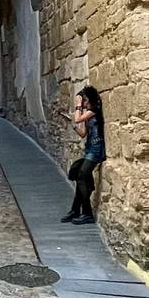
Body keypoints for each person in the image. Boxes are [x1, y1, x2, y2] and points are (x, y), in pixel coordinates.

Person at [61, 85, 106, 225]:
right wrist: (71, 124)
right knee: (77, 172)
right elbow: (82, 134)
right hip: (89, 149)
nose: (84, 103)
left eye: (85, 100)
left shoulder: (94, 110)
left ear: (89, 100)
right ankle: (76, 210)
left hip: (96, 149)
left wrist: (78, 105)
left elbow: (78, 118)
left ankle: (86, 213)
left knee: (81, 175)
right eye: (83, 101)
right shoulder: (87, 114)